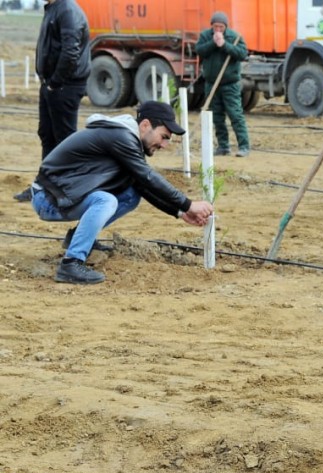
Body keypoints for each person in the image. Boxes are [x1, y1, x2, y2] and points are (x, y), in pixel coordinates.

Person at [30, 101, 214, 284]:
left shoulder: (125, 138)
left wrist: (180, 212)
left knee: (131, 195)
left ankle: (76, 238)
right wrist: (189, 204)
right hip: (47, 199)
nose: (164, 145)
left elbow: (142, 185)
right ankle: (71, 264)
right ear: (145, 125)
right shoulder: (120, 137)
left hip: (64, 194)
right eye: (163, 136)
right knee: (106, 201)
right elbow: (148, 176)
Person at [14, 0, 91, 203]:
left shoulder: (67, 10)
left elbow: (70, 51)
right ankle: (44, 188)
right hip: (51, 84)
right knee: (47, 134)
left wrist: (55, 83)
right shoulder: (54, 9)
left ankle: (69, 190)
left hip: (64, 85)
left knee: (64, 139)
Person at [195, 11, 251, 157]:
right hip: (212, 83)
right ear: (211, 26)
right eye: (215, 26)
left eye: (221, 27)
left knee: (235, 114)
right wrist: (213, 43)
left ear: (226, 26)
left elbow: (242, 54)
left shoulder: (234, 37)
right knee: (217, 116)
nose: (218, 30)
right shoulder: (205, 36)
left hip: (230, 84)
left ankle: (244, 146)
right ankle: (223, 146)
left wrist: (224, 45)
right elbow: (199, 51)